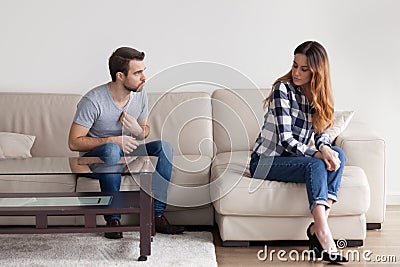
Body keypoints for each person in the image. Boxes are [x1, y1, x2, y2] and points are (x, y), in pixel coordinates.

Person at [68, 47, 184, 239]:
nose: (144, 77)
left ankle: (156, 215)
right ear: (120, 75)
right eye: (138, 73)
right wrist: (112, 140)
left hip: (128, 152)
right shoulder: (93, 100)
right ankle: (113, 219)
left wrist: (138, 131)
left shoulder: (140, 94)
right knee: (113, 149)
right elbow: (73, 142)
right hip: (99, 157)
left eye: (143, 71)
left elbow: (144, 130)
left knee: (164, 147)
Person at [249, 41, 348, 263]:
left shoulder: (316, 95)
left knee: (338, 155)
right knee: (315, 163)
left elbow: (321, 132)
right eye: (295, 66)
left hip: (294, 160)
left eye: (304, 69)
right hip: (264, 162)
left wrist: (323, 148)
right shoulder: (282, 90)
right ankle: (323, 233)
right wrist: (317, 155)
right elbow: (286, 139)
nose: (296, 73)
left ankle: (317, 226)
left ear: (317, 72)